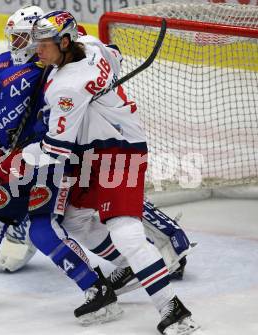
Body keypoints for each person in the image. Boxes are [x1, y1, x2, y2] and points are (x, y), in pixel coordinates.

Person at [19, 10, 200, 335]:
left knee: (126, 233)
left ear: (64, 41)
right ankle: (133, 268)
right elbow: (114, 54)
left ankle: (173, 310)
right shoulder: (90, 44)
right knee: (73, 217)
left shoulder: (65, 87)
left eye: (44, 44)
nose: (38, 51)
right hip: (94, 151)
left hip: (119, 150)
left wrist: (24, 155)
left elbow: (56, 150)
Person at [0, 51, 122, 325]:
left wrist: (99, 53)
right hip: (13, 170)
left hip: (47, 163)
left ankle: (97, 289)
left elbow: (53, 59)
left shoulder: (18, 79)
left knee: (42, 232)